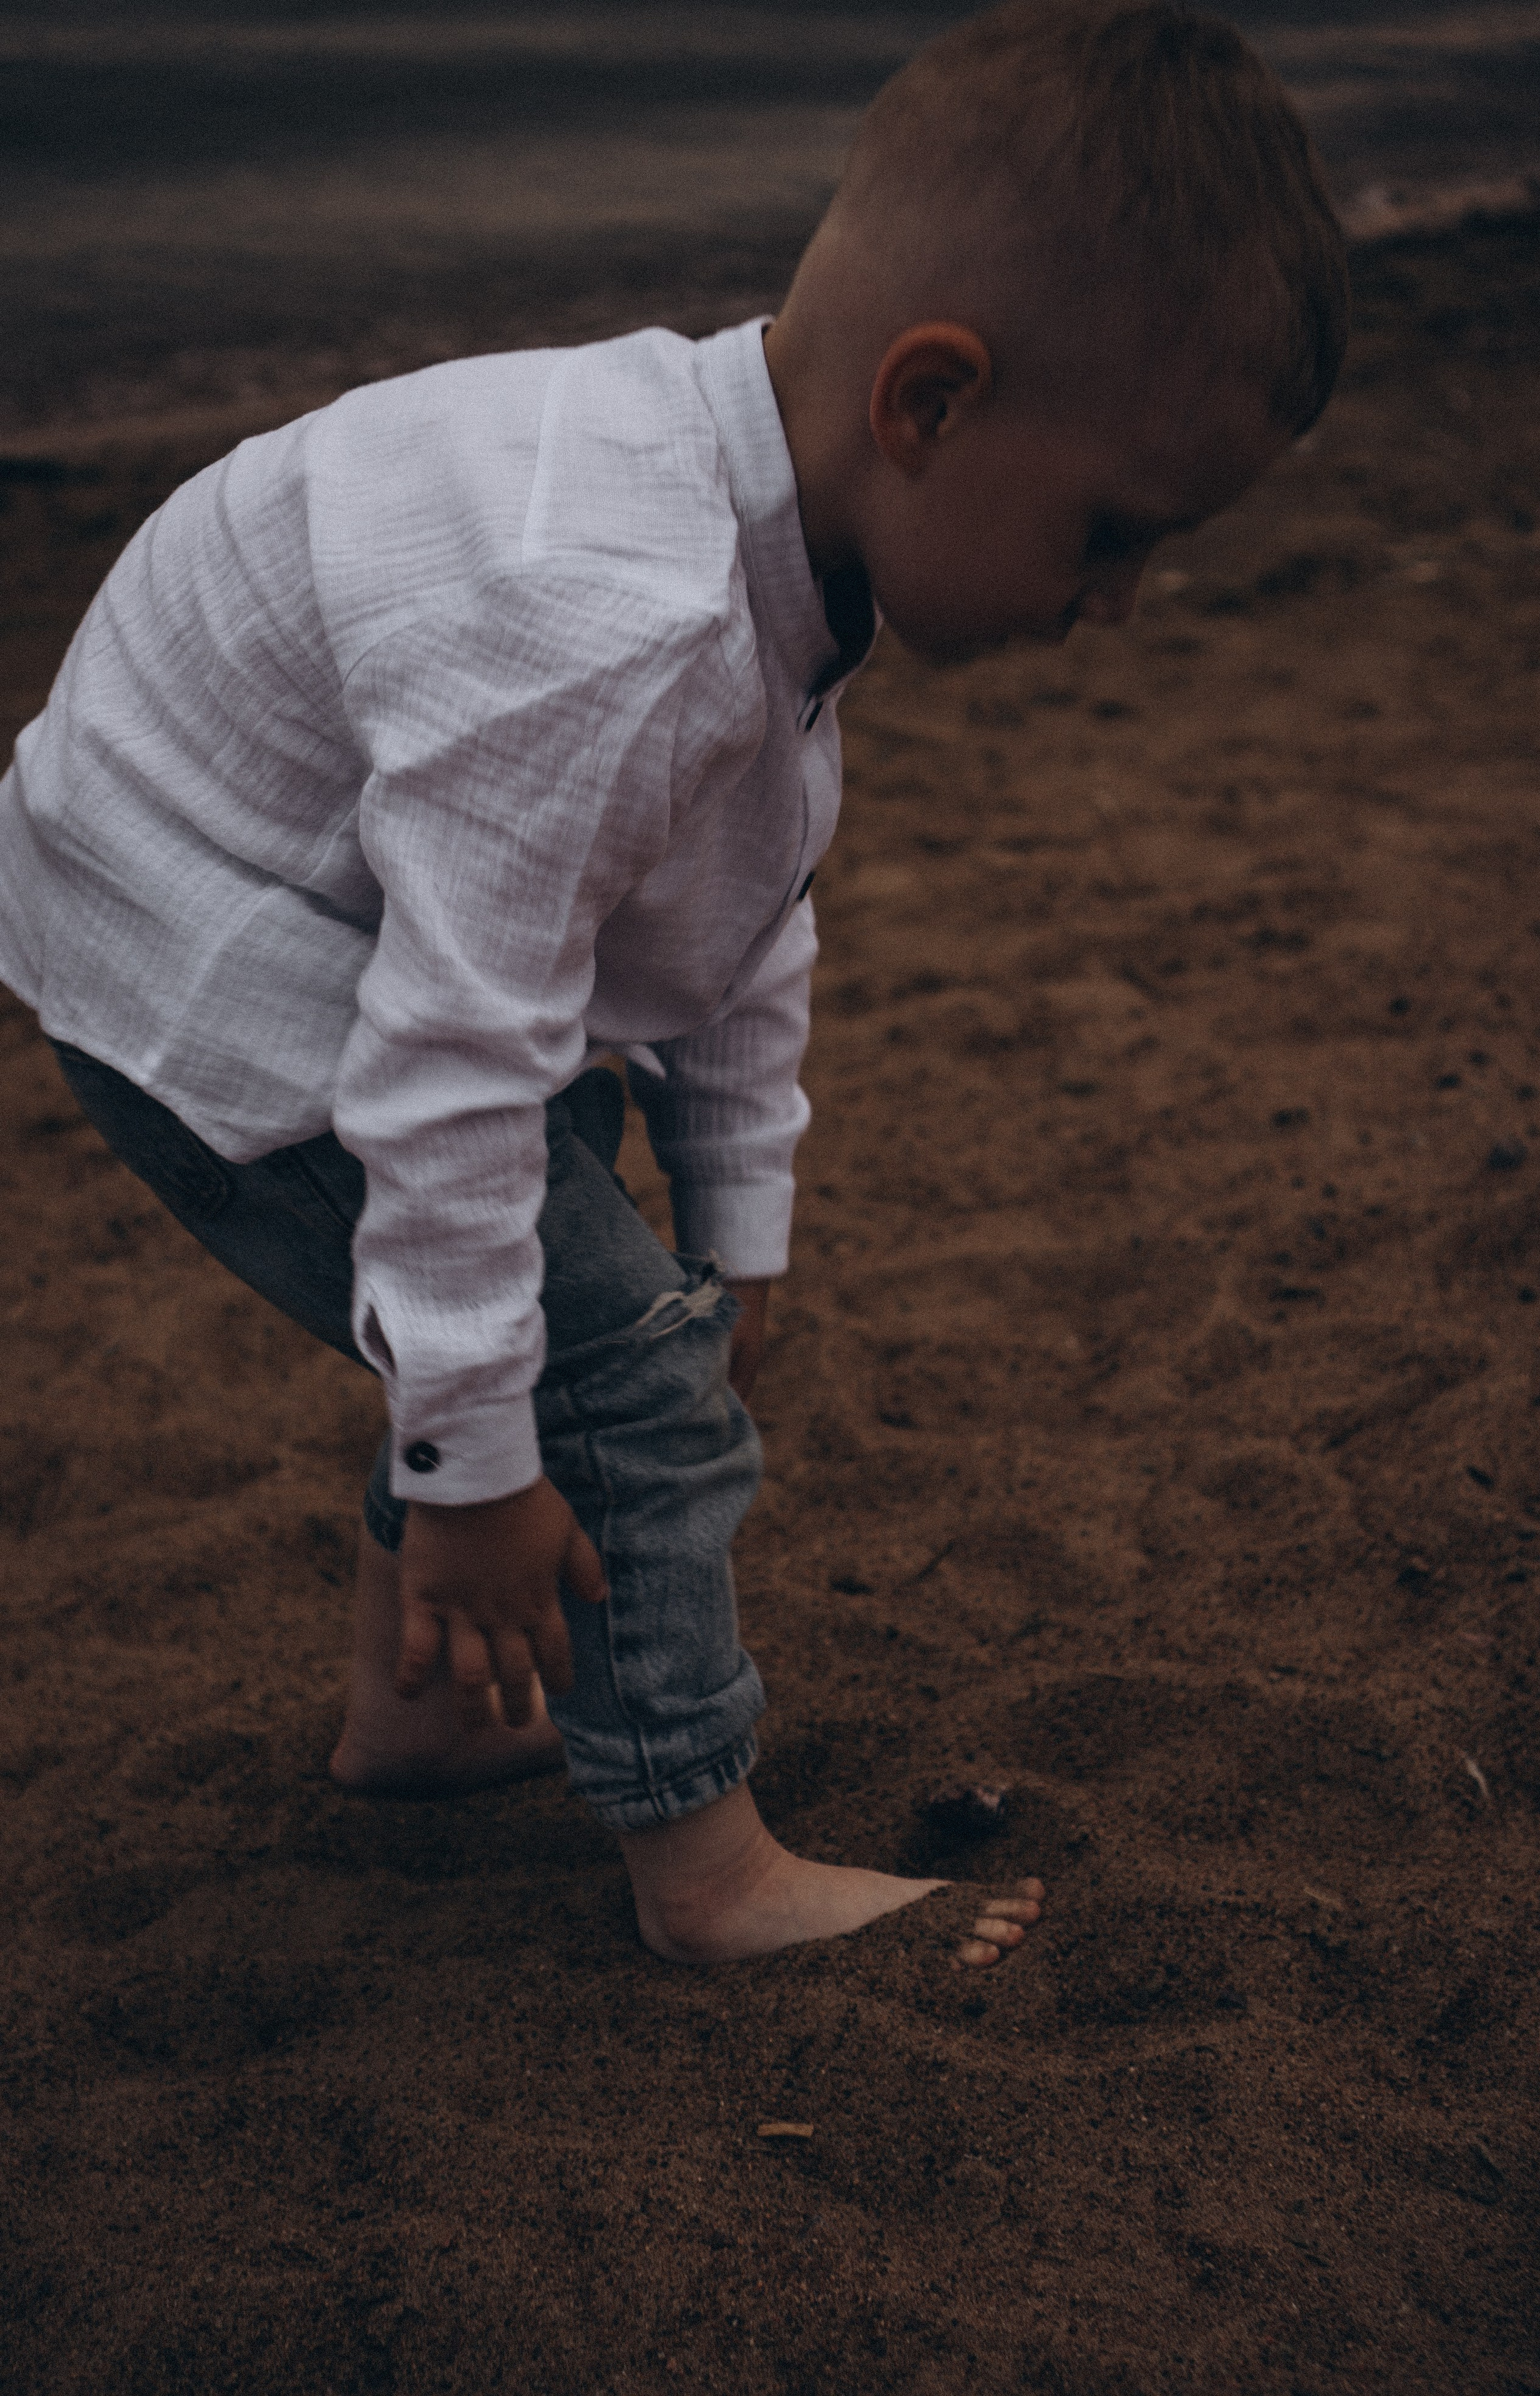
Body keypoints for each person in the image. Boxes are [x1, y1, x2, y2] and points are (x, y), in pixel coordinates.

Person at [0, 0, 1347, 1966]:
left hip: (347, 904)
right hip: (187, 932)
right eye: (1111, 534)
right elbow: (452, 1072)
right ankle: (705, 1871)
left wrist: (743, 1224)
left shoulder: (771, 544)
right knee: (616, 1365)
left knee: (599, 1284)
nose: (1118, 604)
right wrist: (475, 1460)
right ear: (933, 403)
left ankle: (422, 1718)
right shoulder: (608, 628)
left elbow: (734, 919)